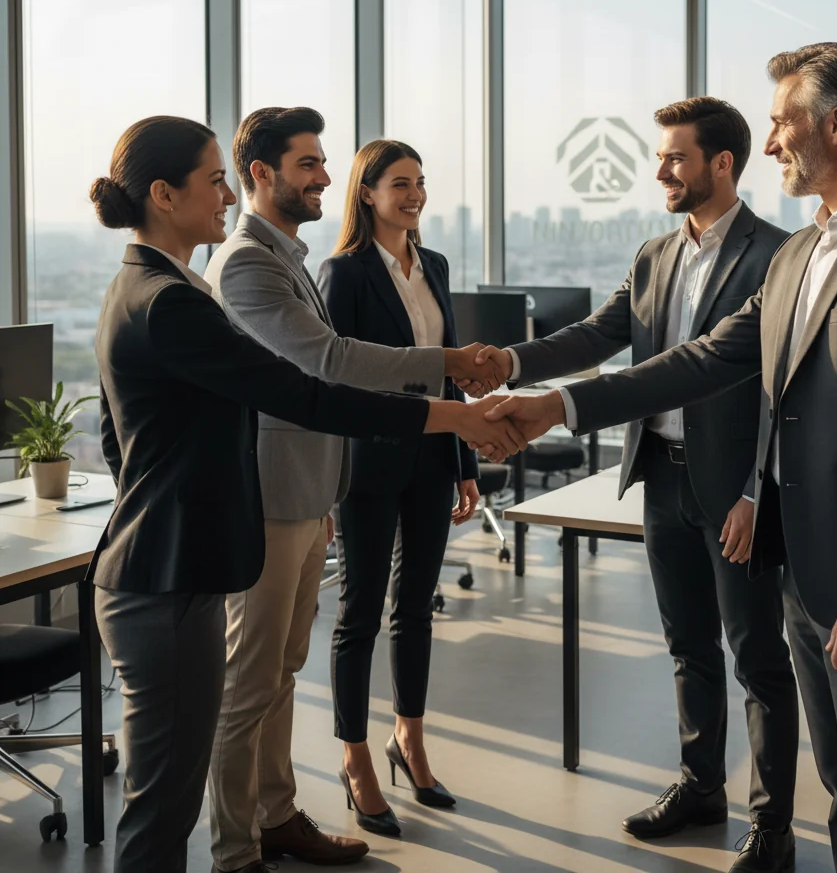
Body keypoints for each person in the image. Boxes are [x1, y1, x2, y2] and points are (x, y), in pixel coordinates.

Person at [484, 43, 837, 873]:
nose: (773, 139)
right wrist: (556, 405)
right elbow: (700, 361)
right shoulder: (796, 256)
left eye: (784, 120)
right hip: (802, 577)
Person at [88, 116, 524, 873]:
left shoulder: (157, 284)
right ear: (164, 193)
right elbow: (312, 384)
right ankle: (237, 854)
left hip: (204, 540)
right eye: (213, 176)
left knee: (261, 690)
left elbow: (116, 432)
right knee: (178, 784)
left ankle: (271, 818)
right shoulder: (183, 293)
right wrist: (453, 409)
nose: (223, 192)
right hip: (180, 562)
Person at [470, 98, 798, 871]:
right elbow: (599, 336)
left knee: (757, 656)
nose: (659, 171)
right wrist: (508, 363)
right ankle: (699, 785)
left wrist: (759, 490)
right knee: (688, 646)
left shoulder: (779, 256)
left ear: (722, 164)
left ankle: (774, 824)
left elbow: (786, 392)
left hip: (737, 494)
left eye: (675, 158)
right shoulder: (655, 255)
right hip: (661, 477)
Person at [203, 109, 502, 871]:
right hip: (274, 493)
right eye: (309, 163)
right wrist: (447, 376)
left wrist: (452, 431)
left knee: (281, 669)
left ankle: (277, 814)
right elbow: (329, 361)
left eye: (325, 161)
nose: (324, 176)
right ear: (261, 174)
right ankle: (237, 848)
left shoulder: (290, 257)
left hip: (308, 488)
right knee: (251, 680)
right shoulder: (247, 263)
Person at [315, 140, 479, 836]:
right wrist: (325, 486)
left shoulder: (433, 264)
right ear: (367, 193)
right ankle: (355, 759)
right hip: (368, 466)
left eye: (420, 183)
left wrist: (466, 462)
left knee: (415, 609)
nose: (414, 194)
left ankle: (407, 737)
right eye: (399, 183)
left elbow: (452, 379)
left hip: (433, 458)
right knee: (358, 615)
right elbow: (328, 383)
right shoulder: (344, 274)